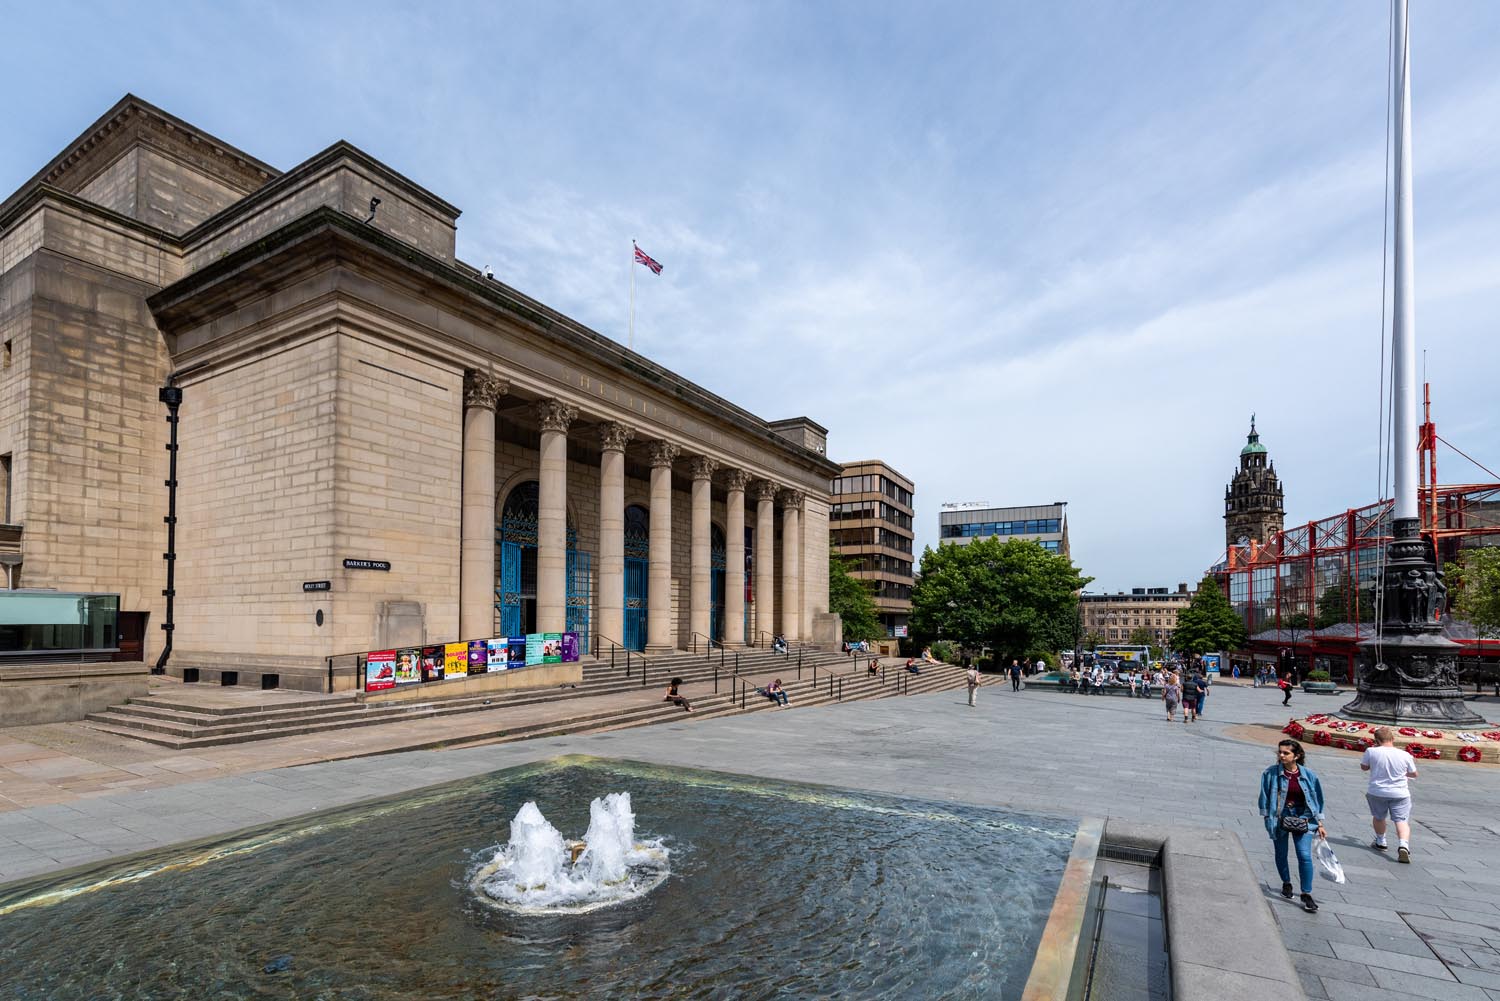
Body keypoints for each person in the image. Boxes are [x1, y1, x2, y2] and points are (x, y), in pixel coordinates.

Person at [1258, 739, 1327, 913]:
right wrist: (1268, 818)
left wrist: (1319, 823)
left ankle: (1306, 893)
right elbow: (1264, 797)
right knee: (1281, 853)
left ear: (1297, 755)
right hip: (1280, 817)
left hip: (1304, 818)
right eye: (1280, 752)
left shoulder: (1309, 775)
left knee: (1304, 855)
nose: (1281, 755)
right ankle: (1286, 883)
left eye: (1286, 753)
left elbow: (1317, 800)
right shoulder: (1270, 774)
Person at [1361, 726, 1418, 862]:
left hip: (1377, 791)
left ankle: (1381, 841)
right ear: (1392, 739)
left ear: (1376, 740)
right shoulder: (1405, 754)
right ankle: (1403, 845)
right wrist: (1403, 773)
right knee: (1401, 820)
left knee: (1379, 817)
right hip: (1400, 792)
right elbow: (1414, 773)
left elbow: (1364, 767)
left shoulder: (1371, 751)